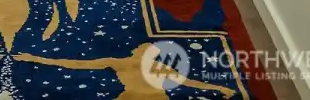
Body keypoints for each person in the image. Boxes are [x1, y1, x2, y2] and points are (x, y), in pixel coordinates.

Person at [15, 44, 237, 99]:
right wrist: (35, 58)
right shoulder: (118, 62)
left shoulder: (159, 68)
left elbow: (190, 83)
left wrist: (219, 88)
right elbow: (77, 65)